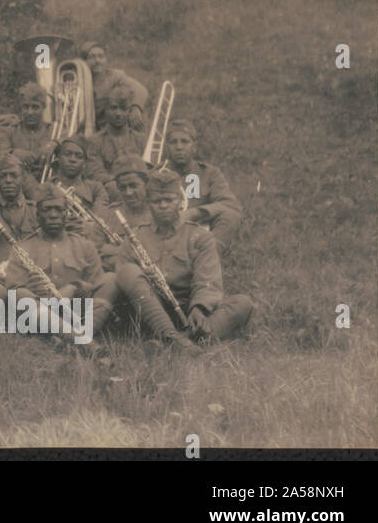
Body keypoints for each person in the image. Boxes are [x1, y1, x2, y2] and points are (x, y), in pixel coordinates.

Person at [114, 169, 254, 351]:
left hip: (188, 307)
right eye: (157, 201)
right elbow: (123, 275)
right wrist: (142, 275)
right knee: (129, 272)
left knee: (242, 303)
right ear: (148, 203)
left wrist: (199, 308)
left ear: (180, 201)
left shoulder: (199, 236)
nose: (163, 205)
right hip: (150, 307)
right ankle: (178, 339)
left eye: (169, 200)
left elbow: (207, 280)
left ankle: (174, 342)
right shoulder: (136, 236)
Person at [3, 184, 118, 341]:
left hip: (77, 310)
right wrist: (36, 293)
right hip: (41, 313)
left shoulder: (85, 245)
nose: (53, 215)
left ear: (67, 214)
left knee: (110, 279)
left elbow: (96, 283)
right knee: (20, 295)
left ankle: (75, 336)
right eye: (47, 210)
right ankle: (83, 342)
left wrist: (75, 287)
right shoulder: (22, 248)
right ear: (37, 215)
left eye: (59, 209)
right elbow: (15, 289)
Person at [164, 119, 242, 255]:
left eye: (184, 141)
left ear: (195, 147)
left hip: (196, 236)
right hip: (165, 235)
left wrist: (194, 213)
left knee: (231, 216)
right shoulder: (157, 174)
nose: (179, 147)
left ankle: (208, 258)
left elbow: (230, 205)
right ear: (167, 147)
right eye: (173, 142)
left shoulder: (209, 173)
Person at [86, 87, 147, 192]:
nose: (118, 114)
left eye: (123, 109)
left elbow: (149, 169)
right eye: (113, 108)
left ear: (130, 111)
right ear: (106, 110)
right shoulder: (95, 141)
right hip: (110, 191)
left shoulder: (141, 140)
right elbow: (95, 173)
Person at [81, 41, 148, 132]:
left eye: (101, 56)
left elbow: (140, 90)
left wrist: (136, 108)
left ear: (105, 59)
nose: (97, 61)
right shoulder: (78, 79)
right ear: (84, 61)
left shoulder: (115, 76)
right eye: (92, 57)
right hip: (83, 128)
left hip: (111, 128)